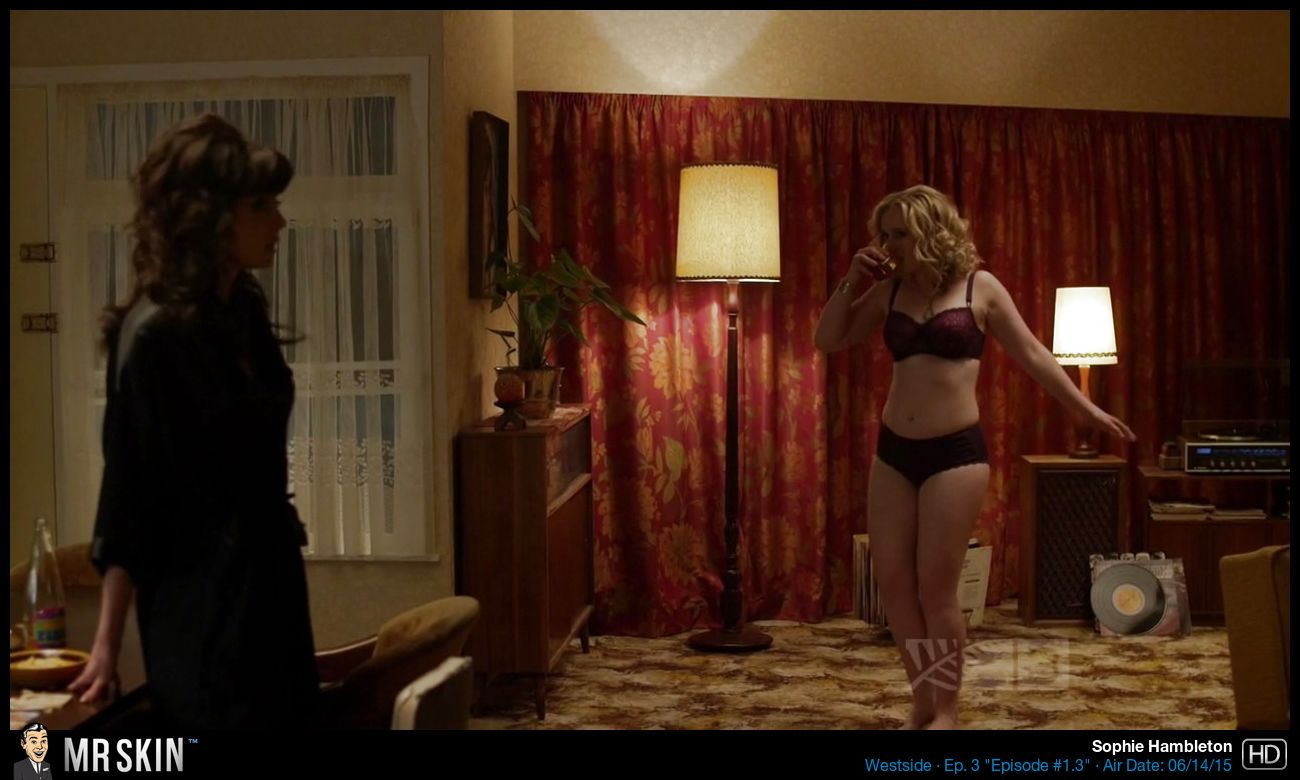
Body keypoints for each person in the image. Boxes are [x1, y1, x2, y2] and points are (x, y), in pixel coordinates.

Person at [814, 185, 1135, 730]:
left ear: (929, 231)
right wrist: (851, 278)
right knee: (894, 585)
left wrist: (1087, 409)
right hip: (893, 453)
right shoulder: (889, 290)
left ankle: (947, 709)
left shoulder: (978, 287)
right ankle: (922, 699)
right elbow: (828, 338)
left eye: (900, 233)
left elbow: (1033, 353)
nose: (889, 245)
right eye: (884, 234)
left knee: (935, 589)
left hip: (955, 455)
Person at [68, 113, 319, 730]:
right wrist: (105, 645)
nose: (279, 223)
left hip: (271, 583)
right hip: (201, 605)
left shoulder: (242, 310)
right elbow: (128, 497)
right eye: (261, 206)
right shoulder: (153, 335)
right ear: (208, 217)